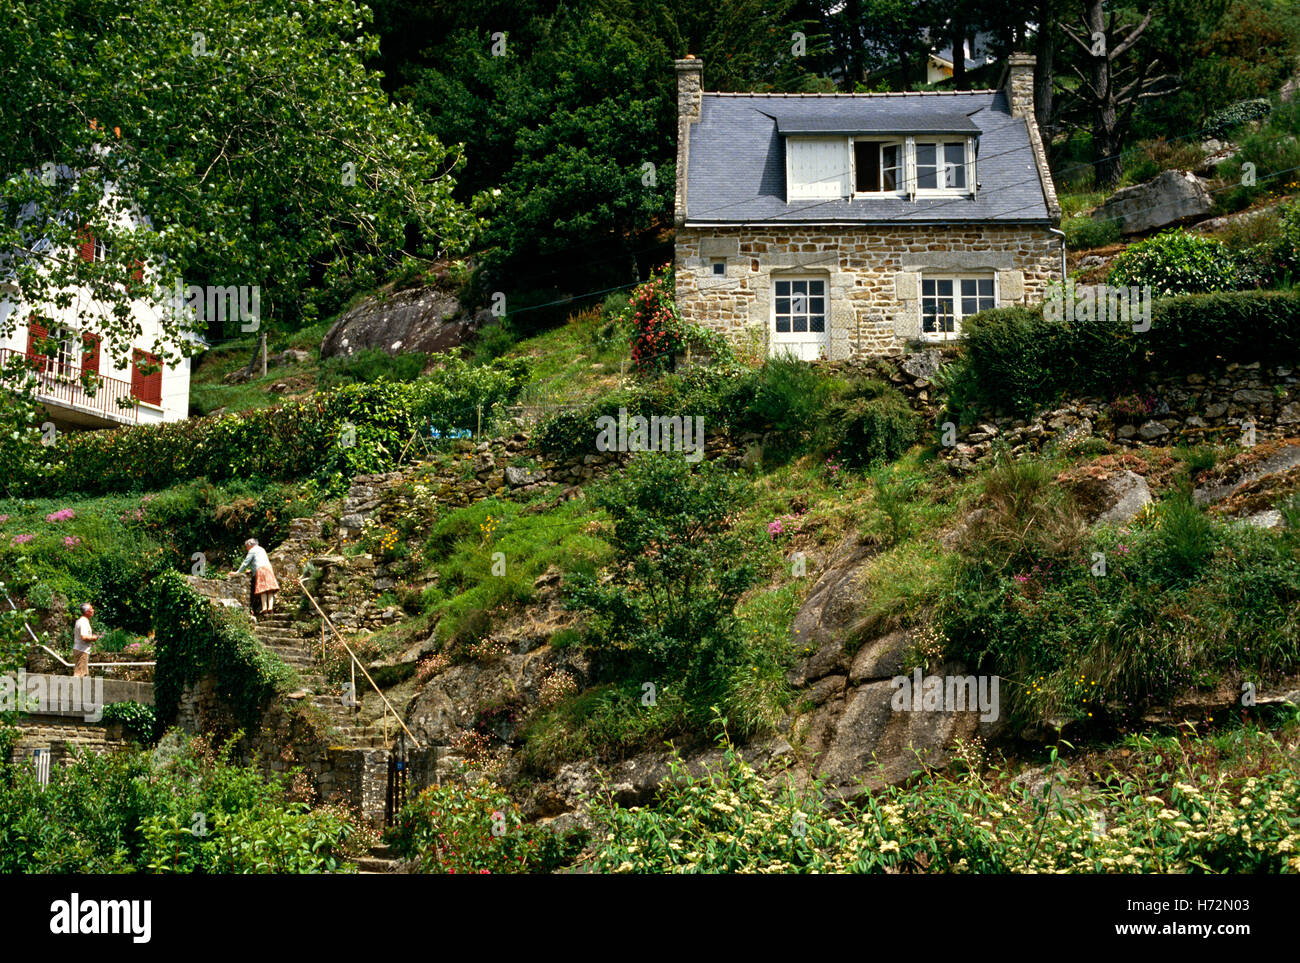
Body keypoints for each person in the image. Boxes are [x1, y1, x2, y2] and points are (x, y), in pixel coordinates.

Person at [230, 538, 280, 620]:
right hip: (268, 569)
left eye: (247, 546)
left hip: (261, 570)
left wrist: (238, 572)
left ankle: (264, 609)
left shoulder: (252, 550)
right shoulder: (261, 549)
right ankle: (270, 608)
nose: (246, 548)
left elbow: (246, 562)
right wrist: (252, 570)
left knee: (263, 589)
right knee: (270, 589)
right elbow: (259, 561)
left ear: (250, 545)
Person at [72, 602, 97, 677]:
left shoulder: (81, 621)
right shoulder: (83, 622)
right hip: (82, 650)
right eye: (91, 609)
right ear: (86, 612)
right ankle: (75, 688)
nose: (93, 610)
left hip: (80, 649)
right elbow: (84, 637)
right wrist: (94, 638)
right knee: (80, 674)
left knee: (82, 673)